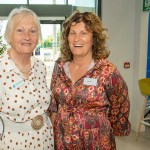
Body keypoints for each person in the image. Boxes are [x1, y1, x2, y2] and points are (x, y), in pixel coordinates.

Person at [49, 10, 131, 150]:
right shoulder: (60, 66)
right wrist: (55, 125)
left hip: (96, 141)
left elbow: (121, 103)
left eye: (84, 33)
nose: (76, 39)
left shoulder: (107, 70)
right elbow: (53, 102)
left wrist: (106, 127)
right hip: (63, 140)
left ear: (94, 38)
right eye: (72, 33)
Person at [0, 7, 54, 149]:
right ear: (9, 35)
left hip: (44, 139)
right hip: (13, 143)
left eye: (32, 31)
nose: (27, 36)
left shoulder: (40, 67)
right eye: (20, 30)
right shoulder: (1, 68)